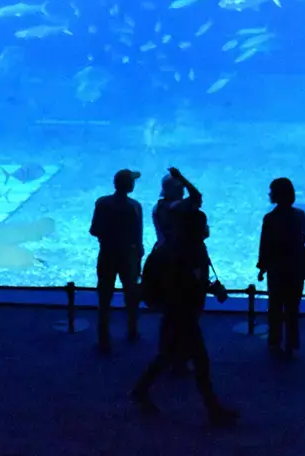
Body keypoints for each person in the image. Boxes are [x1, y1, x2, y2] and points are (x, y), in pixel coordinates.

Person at [131, 205, 238, 425]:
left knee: (167, 355)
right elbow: (182, 284)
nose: (206, 229)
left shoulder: (190, 248)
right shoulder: (181, 252)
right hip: (181, 313)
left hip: (182, 312)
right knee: (200, 361)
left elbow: (193, 279)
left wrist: (210, 288)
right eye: (202, 226)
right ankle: (213, 409)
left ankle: (140, 391)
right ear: (194, 228)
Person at [90, 168, 144, 352]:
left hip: (107, 254)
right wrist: (138, 258)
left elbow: (94, 230)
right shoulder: (135, 206)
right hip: (128, 256)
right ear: (130, 185)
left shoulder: (102, 203)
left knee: (104, 296)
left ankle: (103, 337)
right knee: (131, 294)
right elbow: (138, 239)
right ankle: (132, 330)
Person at [257, 177, 305, 357]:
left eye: (272, 191)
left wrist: (261, 267)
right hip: (295, 268)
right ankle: (291, 344)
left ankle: (274, 342)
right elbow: (301, 240)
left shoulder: (270, 218)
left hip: (277, 269)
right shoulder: (301, 215)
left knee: (275, 307)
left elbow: (265, 245)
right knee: (293, 308)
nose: (269, 194)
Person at [152, 167, 203, 251]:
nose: (182, 191)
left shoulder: (158, 206)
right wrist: (181, 178)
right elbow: (196, 197)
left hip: (163, 251)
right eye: (179, 188)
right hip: (176, 254)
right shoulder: (174, 207)